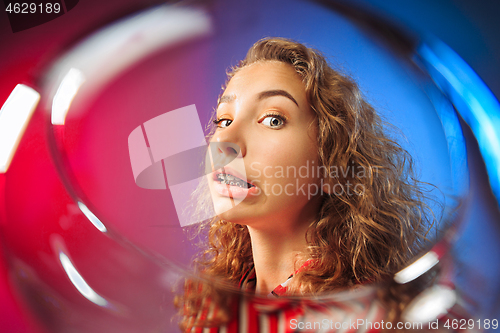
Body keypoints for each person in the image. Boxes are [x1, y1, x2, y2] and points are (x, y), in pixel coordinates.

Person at [176, 37, 435, 332]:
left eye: (272, 120)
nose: (223, 142)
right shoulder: (217, 302)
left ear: (332, 168)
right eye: (223, 120)